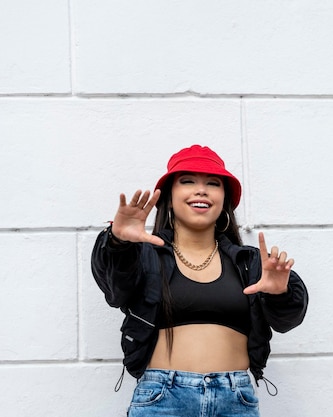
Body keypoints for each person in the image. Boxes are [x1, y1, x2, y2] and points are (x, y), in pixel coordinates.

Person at [91, 144, 308, 417]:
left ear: (224, 200)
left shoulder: (251, 263)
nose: (201, 189)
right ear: (169, 197)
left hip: (235, 400)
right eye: (188, 181)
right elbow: (114, 289)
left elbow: (287, 320)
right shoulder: (144, 257)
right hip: (162, 399)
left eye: (213, 183)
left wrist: (281, 293)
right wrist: (117, 243)